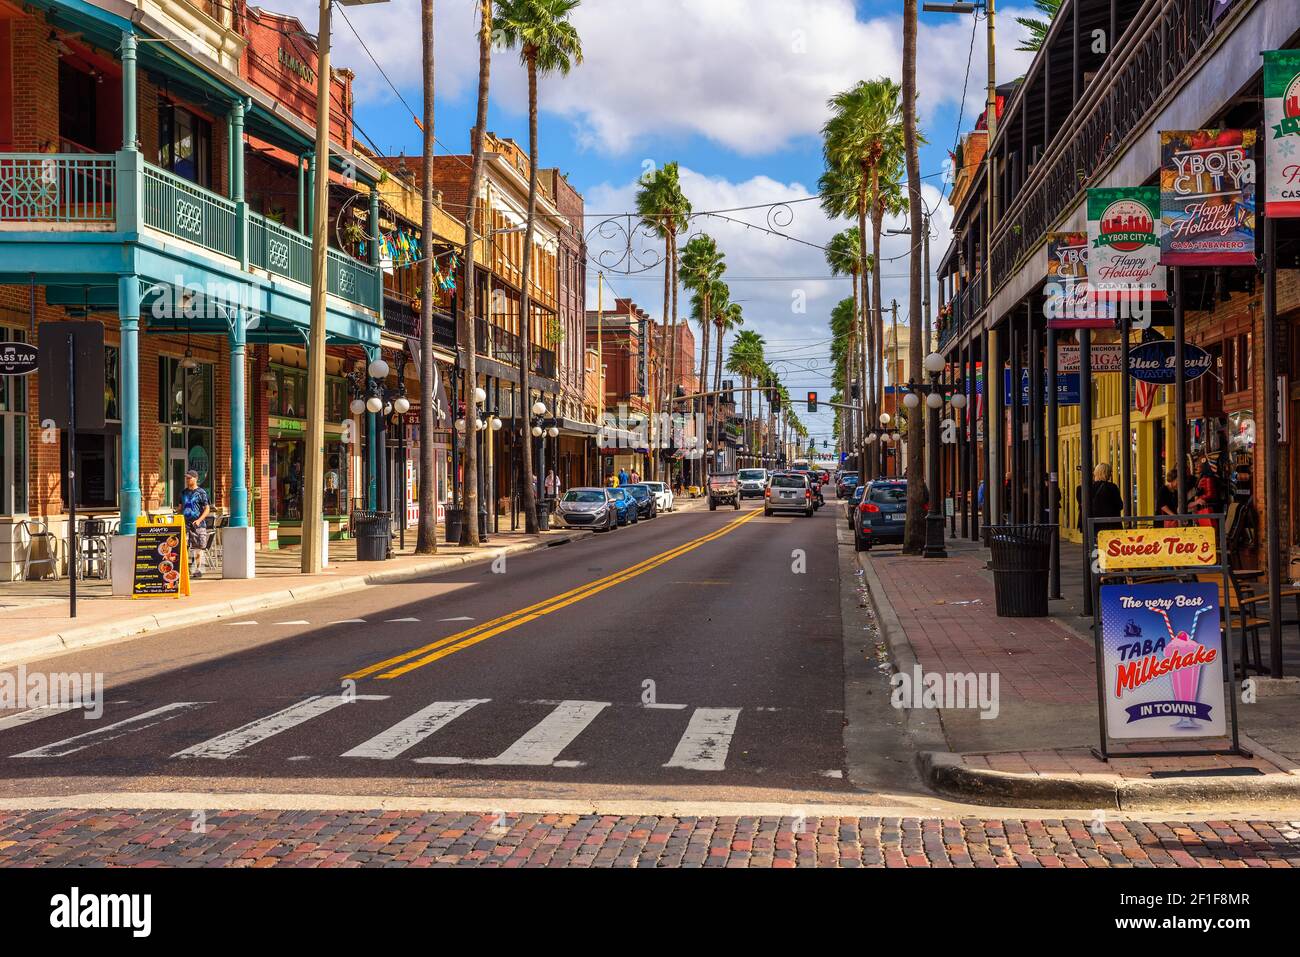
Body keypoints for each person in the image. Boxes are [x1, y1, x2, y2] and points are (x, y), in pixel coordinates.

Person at [180, 470, 212, 578]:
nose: (187, 480)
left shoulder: (201, 493)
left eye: (190, 478)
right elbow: (180, 508)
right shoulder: (183, 493)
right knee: (183, 546)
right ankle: (184, 569)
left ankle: (198, 570)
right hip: (185, 524)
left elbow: (207, 509)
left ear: (196, 478)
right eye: (187, 478)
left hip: (198, 525)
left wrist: (199, 520)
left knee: (198, 548)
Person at [1076, 462, 1124, 531]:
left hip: (1091, 524)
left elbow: (1081, 506)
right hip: (1109, 524)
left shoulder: (1082, 488)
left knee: (1092, 541)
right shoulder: (1112, 487)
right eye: (1110, 472)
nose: (1111, 474)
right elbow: (1120, 505)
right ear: (1106, 473)